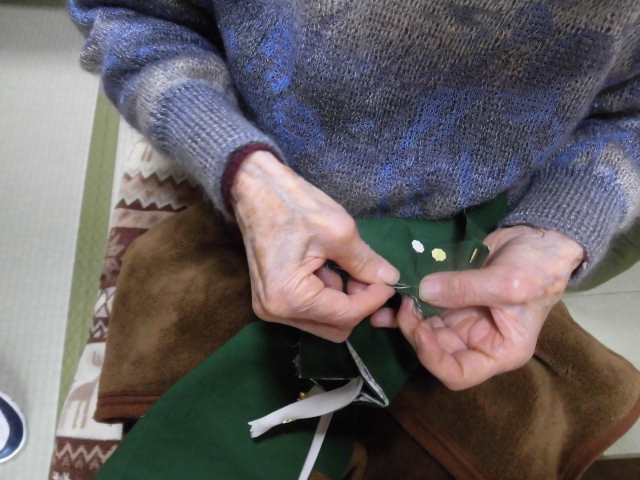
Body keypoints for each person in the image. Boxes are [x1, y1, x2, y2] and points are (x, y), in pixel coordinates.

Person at [69, 1, 639, 391]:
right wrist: (236, 166)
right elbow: (128, 16)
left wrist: (561, 227)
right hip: (220, 154)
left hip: (497, 226)